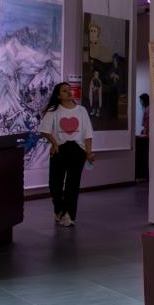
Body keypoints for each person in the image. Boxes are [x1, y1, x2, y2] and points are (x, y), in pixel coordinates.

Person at [38, 82, 94, 227]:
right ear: (58, 95)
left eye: (70, 90)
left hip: (78, 150)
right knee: (54, 184)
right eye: (64, 90)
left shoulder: (81, 110)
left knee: (72, 185)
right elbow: (44, 130)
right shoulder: (53, 111)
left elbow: (88, 133)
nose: (69, 92)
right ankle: (59, 210)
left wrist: (89, 152)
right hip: (60, 149)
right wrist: (54, 143)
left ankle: (69, 215)